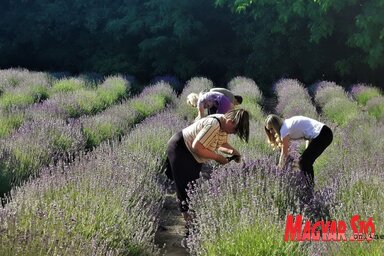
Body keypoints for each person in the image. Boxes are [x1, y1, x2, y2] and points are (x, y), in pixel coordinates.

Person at [166, 109, 250, 223]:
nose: (233, 133)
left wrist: (233, 152)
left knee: (192, 185)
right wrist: (217, 157)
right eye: (234, 130)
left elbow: (221, 143)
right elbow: (197, 147)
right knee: (185, 187)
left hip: (192, 152)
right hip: (181, 149)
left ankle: (191, 218)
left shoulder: (224, 124)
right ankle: (188, 222)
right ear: (230, 121)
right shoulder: (213, 124)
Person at [264, 114, 333, 187]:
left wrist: (278, 170)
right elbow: (308, 135)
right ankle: (309, 187)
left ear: (276, 126)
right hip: (324, 132)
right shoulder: (287, 124)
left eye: (271, 128)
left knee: (304, 162)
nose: (271, 132)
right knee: (305, 161)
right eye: (269, 130)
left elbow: (284, 153)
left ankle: (309, 189)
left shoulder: (284, 130)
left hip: (323, 134)